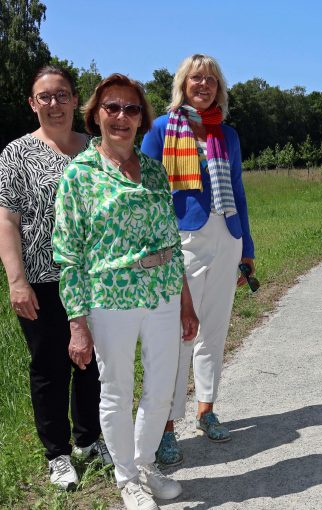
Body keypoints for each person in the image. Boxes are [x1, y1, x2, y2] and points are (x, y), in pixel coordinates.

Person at [52, 73, 198, 510]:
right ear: (96, 115)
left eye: (131, 109)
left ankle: (145, 463)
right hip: (109, 296)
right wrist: (77, 323)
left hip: (162, 293)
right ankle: (127, 478)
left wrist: (185, 302)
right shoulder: (79, 174)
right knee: (116, 388)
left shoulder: (153, 169)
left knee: (161, 386)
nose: (121, 117)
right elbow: (68, 253)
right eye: (111, 108)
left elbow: (172, 239)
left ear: (142, 119)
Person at [0, 65, 110, 490]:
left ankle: (88, 439)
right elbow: (7, 221)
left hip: (98, 277)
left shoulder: (96, 149)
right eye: (44, 96)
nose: (54, 103)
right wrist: (17, 281)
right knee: (49, 366)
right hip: (42, 279)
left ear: (74, 100)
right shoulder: (16, 154)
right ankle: (58, 454)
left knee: (92, 364)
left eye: (62, 95)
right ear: (33, 103)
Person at [141, 54, 255, 463]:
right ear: (183, 85)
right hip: (182, 240)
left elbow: (239, 194)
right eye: (196, 79)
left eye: (210, 79)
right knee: (178, 334)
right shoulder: (159, 130)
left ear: (218, 87)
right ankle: (166, 425)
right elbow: (148, 196)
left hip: (226, 237)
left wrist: (248, 249)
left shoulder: (227, 134)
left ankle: (206, 408)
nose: (203, 85)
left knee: (215, 331)